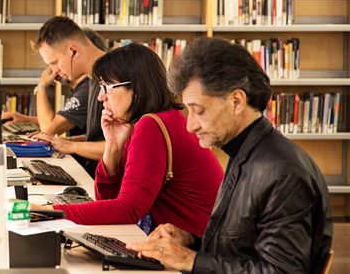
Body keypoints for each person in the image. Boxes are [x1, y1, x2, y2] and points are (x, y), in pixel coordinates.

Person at [128, 38, 332, 274]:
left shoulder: (282, 171)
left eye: (199, 110)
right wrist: (190, 241)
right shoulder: (244, 153)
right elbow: (242, 248)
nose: (190, 124)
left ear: (237, 100)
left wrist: (192, 261)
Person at [44, 43, 223, 234]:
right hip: (192, 239)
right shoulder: (153, 120)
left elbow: (127, 210)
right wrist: (113, 145)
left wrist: (50, 212)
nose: (100, 98)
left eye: (107, 87)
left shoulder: (152, 125)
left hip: (196, 248)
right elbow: (108, 201)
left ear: (136, 88)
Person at [2, 16, 106, 176]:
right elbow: (100, 136)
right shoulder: (95, 79)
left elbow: (121, 145)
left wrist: (42, 85)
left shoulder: (111, 79)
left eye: (55, 62)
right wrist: (62, 142)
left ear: (73, 51)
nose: (53, 71)